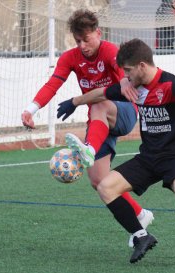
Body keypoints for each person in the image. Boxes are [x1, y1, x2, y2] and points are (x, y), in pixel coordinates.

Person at [59, 38, 175, 271]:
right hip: (148, 158)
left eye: (128, 71)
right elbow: (101, 94)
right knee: (105, 187)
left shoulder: (172, 84)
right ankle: (141, 235)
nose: (125, 76)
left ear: (142, 66)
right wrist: (75, 101)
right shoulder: (132, 87)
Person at [21, 10, 154, 245]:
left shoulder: (111, 50)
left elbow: (125, 72)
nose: (82, 45)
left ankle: (89, 149)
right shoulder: (70, 58)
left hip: (122, 113)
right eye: (78, 41)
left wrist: (124, 79)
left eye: (87, 39)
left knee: (99, 102)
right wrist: (31, 110)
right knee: (99, 181)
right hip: (99, 121)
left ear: (98, 33)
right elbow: (53, 83)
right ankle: (141, 215)